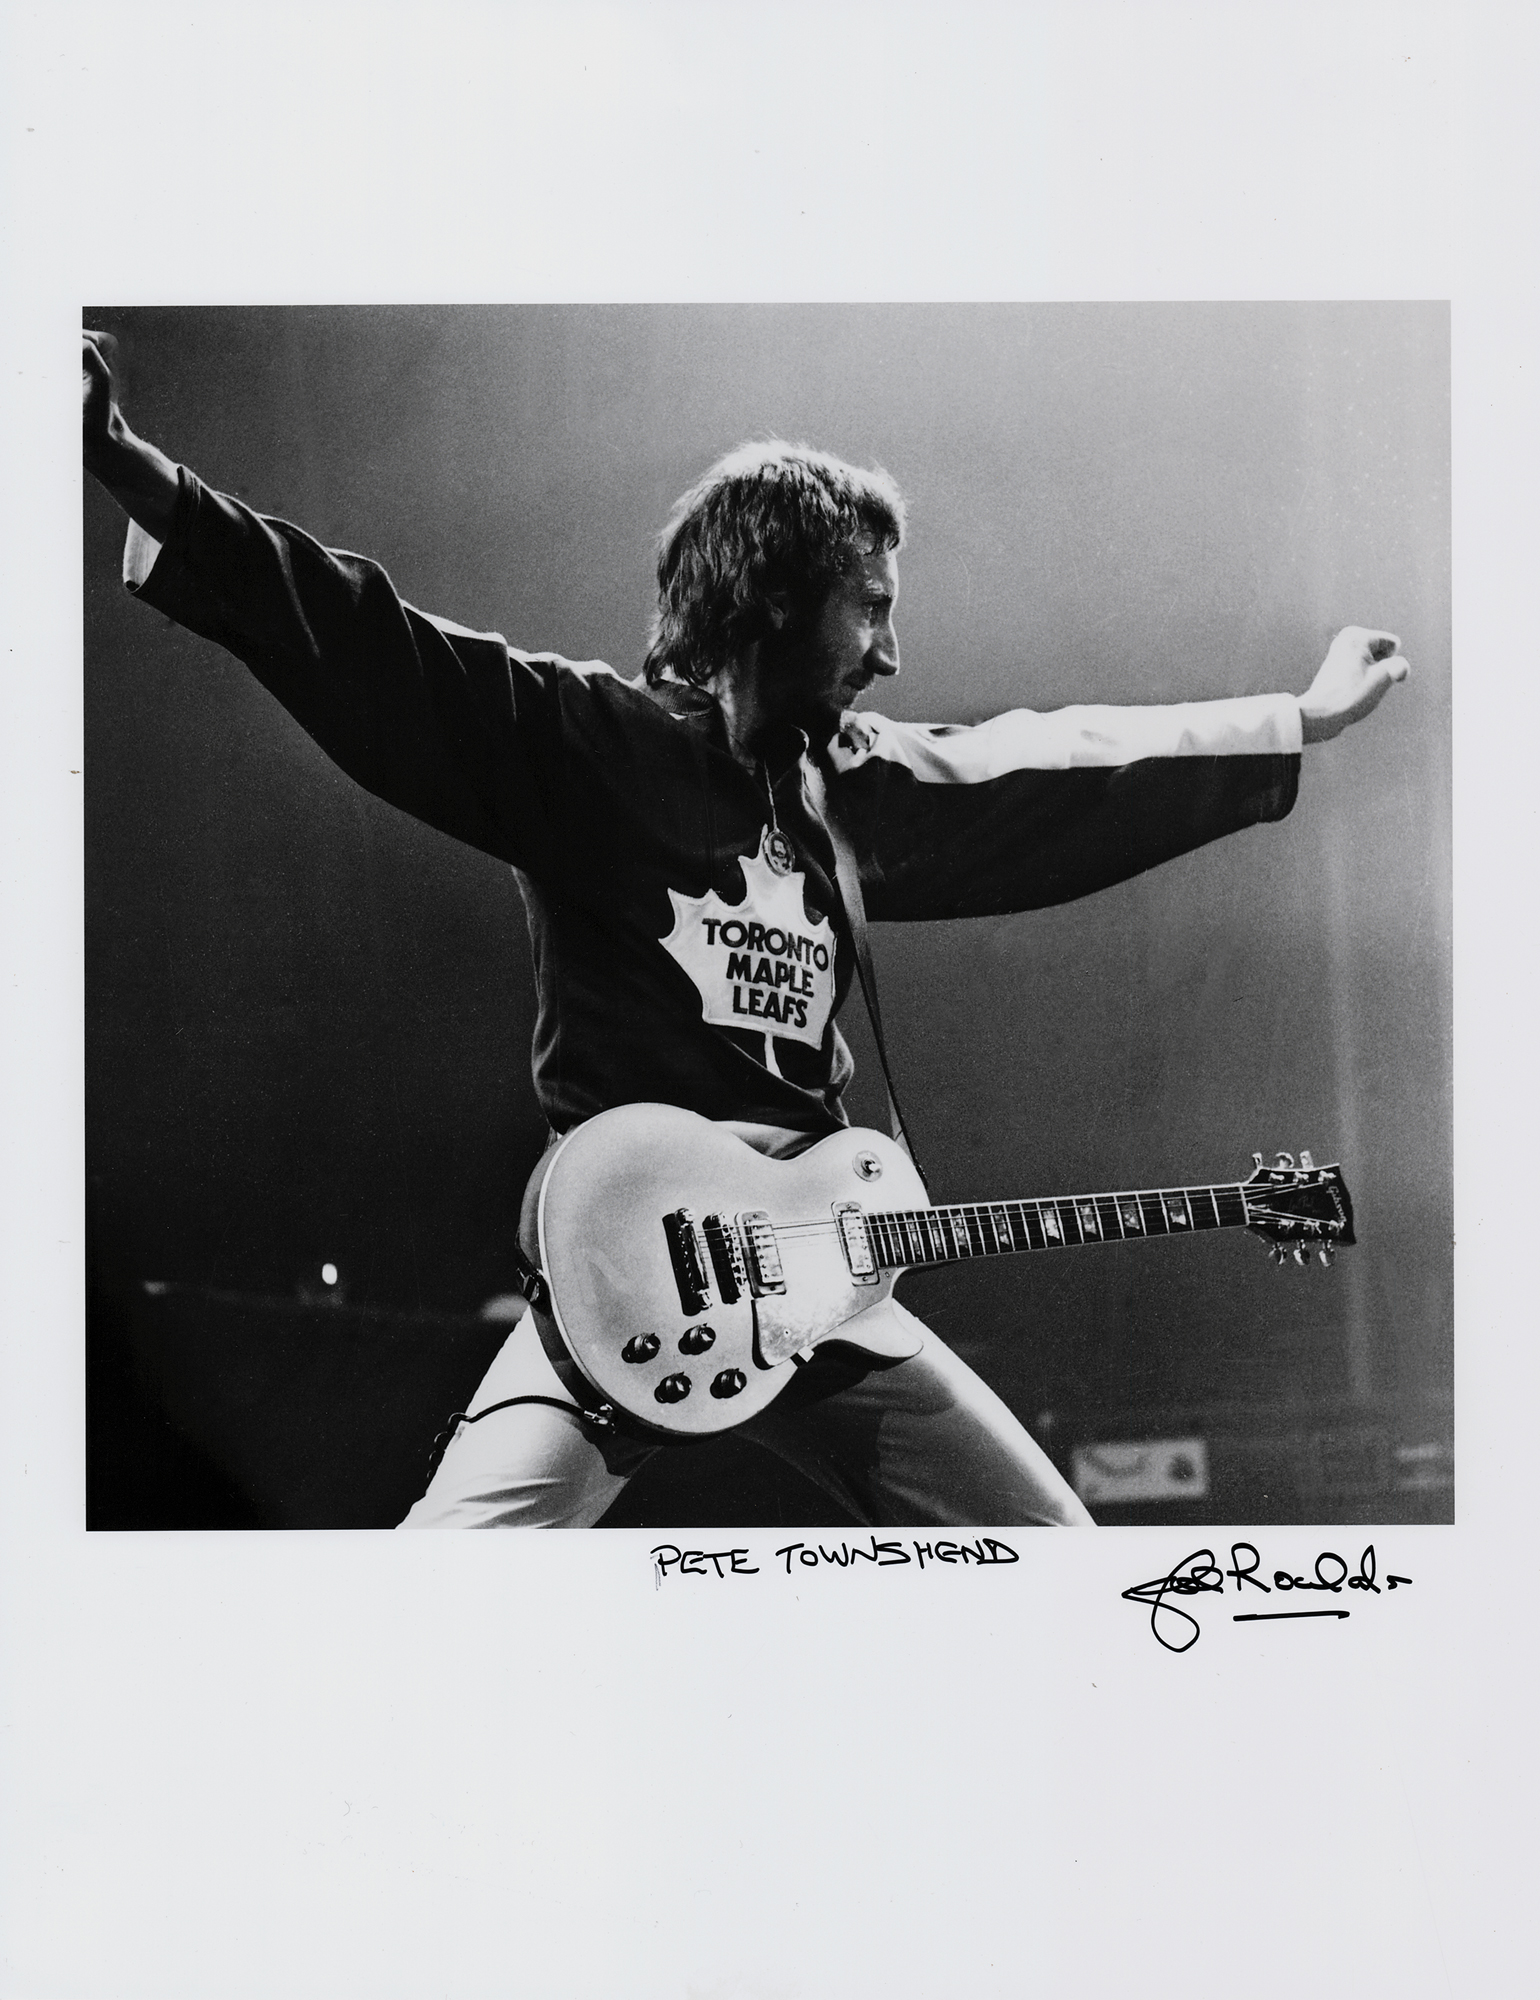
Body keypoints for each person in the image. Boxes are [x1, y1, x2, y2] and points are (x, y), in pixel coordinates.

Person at [82, 327, 1410, 1530]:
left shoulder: (849, 787)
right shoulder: (586, 745)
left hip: (823, 1283)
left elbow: (1046, 764)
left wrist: (1292, 721)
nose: (889, 652)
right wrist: (128, 463)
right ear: (775, 598)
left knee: (1058, 1556)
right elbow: (364, 634)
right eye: (870, 607)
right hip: (627, 1292)